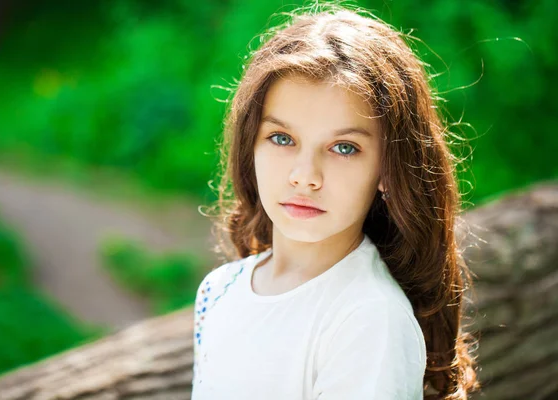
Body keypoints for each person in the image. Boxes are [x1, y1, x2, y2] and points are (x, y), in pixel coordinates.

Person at [192, 4, 480, 399]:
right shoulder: (219, 289)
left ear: (387, 170)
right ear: (250, 146)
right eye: (281, 139)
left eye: (343, 148)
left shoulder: (368, 320)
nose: (305, 175)